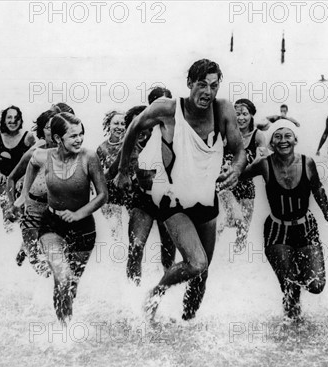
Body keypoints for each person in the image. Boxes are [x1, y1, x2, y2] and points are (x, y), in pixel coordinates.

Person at [115, 58, 247, 321]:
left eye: (214, 85)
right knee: (196, 263)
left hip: (206, 201)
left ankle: (187, 326)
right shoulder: (167, 109)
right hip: (174, 202)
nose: (208, 92)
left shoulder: (223, 110)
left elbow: (240, 149)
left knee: (202, 273)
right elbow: (133, 126)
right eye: (201, 84)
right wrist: (122, 169)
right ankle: (156, 292)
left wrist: (237, 169)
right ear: (189, 83)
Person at [241, 119, 328, 319]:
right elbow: (238, 176)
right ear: (272, 143)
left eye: (287, 136)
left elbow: (318, 189)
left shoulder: (307, 162)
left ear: (295, 139)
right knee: (290, 287)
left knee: (316, 285)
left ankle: (295, 281)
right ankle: (293, 332)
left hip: (306, 228)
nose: (283, 140)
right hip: (277, 231)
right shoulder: (264, 164)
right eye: (277, 136)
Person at [21, 113, 107, 323]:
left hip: (83, 227)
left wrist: (79, 213)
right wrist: (24, 195)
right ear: (58, 139)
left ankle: (65, 322)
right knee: (62, 277)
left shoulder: (89, 157)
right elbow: (31, 164)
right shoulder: (43, 156)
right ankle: (63, 332)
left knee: (71, 285)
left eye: (81, 134)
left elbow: (103, 195)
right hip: (52, 224)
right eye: (73, 136)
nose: (79, 140)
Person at [106, 98, 177, 285]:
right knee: (135, 248)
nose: (143, 130)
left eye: (147, 125)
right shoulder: (129, 148)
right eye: (137, 126)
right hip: (142, 199)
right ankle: (133, 290)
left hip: (166, 201)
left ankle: (166, 290)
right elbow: (110, 174)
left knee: (169, 250)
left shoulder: (166, 140)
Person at [8, 108, 60, 271]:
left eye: (55, 126)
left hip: (56, 207)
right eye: (47, 127)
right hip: (33, 205)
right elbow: (11, 178)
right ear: (41, 131)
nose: (51, 130)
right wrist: (13, 205)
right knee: (36, 259)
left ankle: (26, 246)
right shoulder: (35, 152)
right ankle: (29, 251)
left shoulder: (68, 148)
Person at [217, 98, 268, 253]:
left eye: (245, 114)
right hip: (226, 185)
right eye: (237, 114)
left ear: (251, 115)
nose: (241, 118)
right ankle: (213, 257)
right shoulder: (226, 134)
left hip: (247, 185)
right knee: (225, 221)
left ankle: (237, 263)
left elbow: (262, 159)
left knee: (243, 231)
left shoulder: (258, 136)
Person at [0, 105, 35, 230]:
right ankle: (9, 243)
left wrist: (24, 178)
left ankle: (24, 244)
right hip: (2, 183)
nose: (13, 121)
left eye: (16, 118)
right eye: (9, 117)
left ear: (20, 120)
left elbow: (36, 162)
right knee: (8, 215)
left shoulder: (28, 137)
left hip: (22, 183)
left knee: (24, 215)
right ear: (4, 120)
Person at [96, 110, 126, 240]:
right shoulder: (102, 148)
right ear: (109, 125)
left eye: (123, 124)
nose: (119, 127)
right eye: (116, 123)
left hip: (127, 191)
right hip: (110, 193)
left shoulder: (130, 144)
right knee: (112, 229)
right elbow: (97, 173)